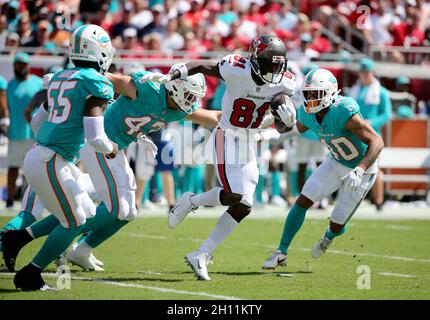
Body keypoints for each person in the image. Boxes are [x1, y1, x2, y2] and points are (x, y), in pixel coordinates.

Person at [148, 35, 296, 281]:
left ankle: (202, 254)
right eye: (269, 63)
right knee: (236, 193)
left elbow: (281, 127)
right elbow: (203, 66)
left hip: (249, 141)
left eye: (277, 63)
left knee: (244, 205)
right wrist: (178, 71)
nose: (274, 69)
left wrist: (286, 121)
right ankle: (191, 201)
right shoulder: (236, 68)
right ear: (256, 60)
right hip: (226, 136)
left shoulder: (285, 85)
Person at [1, 24, 117, 290]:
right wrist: (112, 148)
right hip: (52, 160)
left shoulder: (60, 77)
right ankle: (31, 272)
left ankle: (18, 239)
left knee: (86, 211)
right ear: (98, 50)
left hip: (45, 155)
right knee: (74, 221)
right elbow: (96, 138)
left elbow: (36, 123)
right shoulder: (95, 82)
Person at [261, 68, 384, 270]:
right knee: (303, 199)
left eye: (315, 94)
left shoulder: (344, 110)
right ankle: (281, 252)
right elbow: (294, 130)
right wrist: (265, 135)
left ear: (330, 92)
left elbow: (377, 141)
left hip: (363, 170)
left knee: (337, 223)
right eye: (307, 93)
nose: (309, 99)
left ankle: (328, 237)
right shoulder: (308, 114)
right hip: (336, 162)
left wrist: (361, 169)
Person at [349, 58, 392, 211]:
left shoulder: (381, 92)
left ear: (372, 73)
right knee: (354, 169)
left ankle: (378, 201)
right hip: (355, 136)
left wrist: (370, 122)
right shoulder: (354, 91)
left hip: (373, 136)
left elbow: (386, 115)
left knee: (375, 169)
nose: (365, 75)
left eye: (367, 72)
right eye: (362, 72)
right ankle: (354, 203)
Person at [5, 52, 43, 208]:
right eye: (18, 64)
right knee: (13, 168)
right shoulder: (9, 85)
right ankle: (9, 200)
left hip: (34, 134)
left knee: (32, 169)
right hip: (14, 133)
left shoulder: (39, 83)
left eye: (24, 64)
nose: (21, 66)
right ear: (14, 65)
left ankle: (30, 201)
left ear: (28, 66)